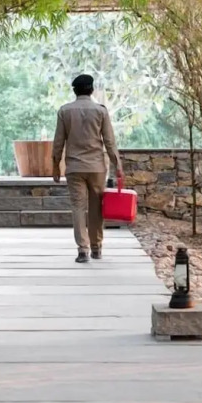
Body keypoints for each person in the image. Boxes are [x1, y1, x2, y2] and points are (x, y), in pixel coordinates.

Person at [52, 74, 123, 263]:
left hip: (74, 167)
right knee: (96, 207)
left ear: (75, 91)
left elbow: (58, 141)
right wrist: (118, 166)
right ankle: (96, 247)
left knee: (78, 207)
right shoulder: (101, 111)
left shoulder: (64, 111)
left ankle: (82, 250)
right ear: (91, 90)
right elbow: (109, 141)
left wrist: (55, 165)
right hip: (97, 167)